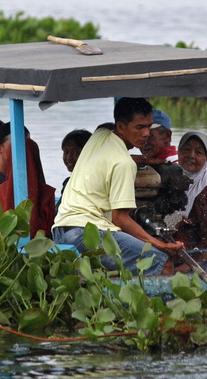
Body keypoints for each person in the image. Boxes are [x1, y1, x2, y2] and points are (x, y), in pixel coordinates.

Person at [52, 97, 184, 276]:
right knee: (162, 263)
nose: (146, 133)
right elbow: (120, 219)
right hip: (85, 233)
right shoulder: (123, 163)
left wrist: (142, 159)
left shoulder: (100, 136)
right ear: (121, 127)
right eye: (139, 127)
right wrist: (161, 245)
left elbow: (108, 138)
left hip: (61, 231)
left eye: (148, 126)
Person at [172, 130, 207, 250]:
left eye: (198, 152)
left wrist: (188, 264)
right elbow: (171, 220)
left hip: (190, 254)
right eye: (186, 149)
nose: (191, 155)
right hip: (170, 245)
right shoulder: (175, 180)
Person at [0, 136, 55, 237]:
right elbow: (49, 228)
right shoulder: (47, 193)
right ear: (36, 158)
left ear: (10, 158)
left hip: (6, 248)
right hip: (39, 248)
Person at [58, 129, 92, 204]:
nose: (69, 157)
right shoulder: (69, 182)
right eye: (66, 152)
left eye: (76, 152)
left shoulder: (91, 183)